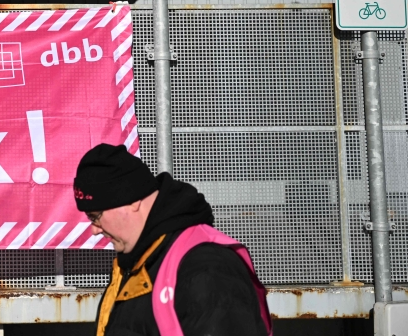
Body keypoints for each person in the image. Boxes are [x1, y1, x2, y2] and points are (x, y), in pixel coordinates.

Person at [74, 144, 272, 336]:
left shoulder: (206, 267)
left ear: (131, 200)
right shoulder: (138, 262)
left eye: (95, 216)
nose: (94, 230)